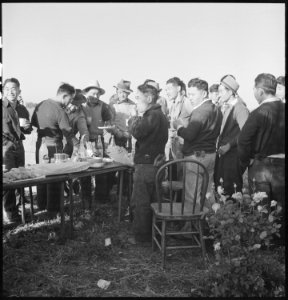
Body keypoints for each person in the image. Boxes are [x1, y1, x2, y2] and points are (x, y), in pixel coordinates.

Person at [237, 73, 285, 243]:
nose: (254, 94)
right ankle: (280, 246)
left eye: (254, 90)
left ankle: (264, 246)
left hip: (261, 166)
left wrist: (246, 161)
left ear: (260, 91)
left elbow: (243, 140)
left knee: (261, 208)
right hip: (282, 166)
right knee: (282, 208)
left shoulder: (258, 112)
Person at [128, 83, 168, 243]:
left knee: (141, 201)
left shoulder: (152, 115)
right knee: (154, 200)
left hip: (146, 165)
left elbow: (137, 131)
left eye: (138, 98)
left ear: (149, 98)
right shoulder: (159, 115)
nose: (136, 101)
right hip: (155, 163)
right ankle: (154, 233)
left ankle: (142, 237)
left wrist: (133, 117)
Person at [31, 83, 80, 216]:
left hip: (40, 145)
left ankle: (41, 205)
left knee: (41, 175)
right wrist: (77, 144)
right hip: (54, 147)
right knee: (55, 176)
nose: (70, 102)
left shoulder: (41, 104)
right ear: (64, 96)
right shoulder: (60, 110)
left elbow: (34, 123)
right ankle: (53, 209)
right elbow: (68, 133)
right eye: (70, 99)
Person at [173, 78, 222, 209]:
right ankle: (211, 223)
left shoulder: (200, 111)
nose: (190, 97)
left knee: (191, 194)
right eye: (189, 94)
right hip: (210, 154)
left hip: (196, 156)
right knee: (207, 192)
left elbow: (190, 135)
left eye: (193, 94)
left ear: (204, 94)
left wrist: (178, 127)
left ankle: (190, 225)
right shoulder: (216, 109)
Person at [214, 75, 249, 198]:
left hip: (233, 156)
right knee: (223, 189)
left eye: (221, 91)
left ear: (230, 91)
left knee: (231, 191)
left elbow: (246, 133)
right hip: (225, 154)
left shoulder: (239, 108)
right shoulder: (229, 107)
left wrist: (229, 145)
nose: (219, 95)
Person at [2, 78, 31, 224]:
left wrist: (26, 127)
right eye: (7, 88)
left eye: (13, 88)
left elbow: (29, 130)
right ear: (3, 91)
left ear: (19, 90)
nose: (10, 91)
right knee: (7, 180)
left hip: (20, 146)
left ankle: (20, 211)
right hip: (5, 147)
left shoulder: (22, 109)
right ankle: (10, 214)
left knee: (20, 177)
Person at [81, 80, 114, 207]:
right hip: (85, 142)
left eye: (98, 94)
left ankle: (101, 199)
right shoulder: (81, 106)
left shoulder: (104, 106)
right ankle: (86, 201)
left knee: (101, 170)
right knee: (85, 171)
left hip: (98, 140)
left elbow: (109, 121)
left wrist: (109, 128)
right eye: (93, 94)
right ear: (87, 93)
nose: (96, 97)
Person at [165, 77, 193, 161]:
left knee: (182, 169)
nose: (167, 92)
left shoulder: (186, 102)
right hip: (174, 143)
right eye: (166, 90)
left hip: (183, 143)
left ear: (178, 88)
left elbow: (195, 119)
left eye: (169, 89)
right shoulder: (173, 104)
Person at [108, 79, 136, 150]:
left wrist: (129, 133)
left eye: (125, 93)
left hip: (128, 136)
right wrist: (117, 132)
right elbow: (110, 122)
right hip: (116, 136)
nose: (122, 95)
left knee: (127, 157)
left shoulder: (133, 105)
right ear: (117, 92)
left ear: (128, 93)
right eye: (120, 92)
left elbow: (134, 121)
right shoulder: (113, 105)